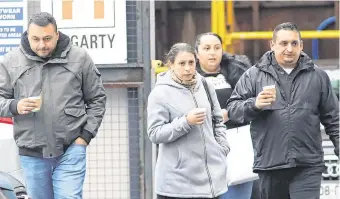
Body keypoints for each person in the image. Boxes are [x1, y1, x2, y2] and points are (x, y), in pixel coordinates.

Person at [226, 22, 339, 199]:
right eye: (283, 43)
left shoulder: (318, 76)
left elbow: (335, 119)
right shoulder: (254, 75)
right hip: (270, 166)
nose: (289, 49)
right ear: (272, 45)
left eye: (294, 43)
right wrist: (255, 105)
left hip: (307, 165)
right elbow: (233, 110)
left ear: (301, 45)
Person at [0, 12, 107, 199]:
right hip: (32, 153)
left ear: (57, 34)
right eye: (36, 39)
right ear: (27, 35)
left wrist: (85, 137)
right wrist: (14, 106)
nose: (42, 45)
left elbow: (97, 98)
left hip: (71, 148)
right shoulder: (10, 62)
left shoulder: (79, 58)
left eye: (47, 38)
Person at [147, 43, 230, 199]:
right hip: (176, 184)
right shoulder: (160, 93)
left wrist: (222, 148)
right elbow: (154, 133)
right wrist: (186, 122)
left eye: (191, 63)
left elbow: (217, 120)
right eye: (181, 63)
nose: (187, 68)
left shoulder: (206, 85)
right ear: (171, 64)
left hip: (210, 182)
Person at [195, 32, 254, 199]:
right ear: (197, 53)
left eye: (216, 48)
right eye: (206, 48)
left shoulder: (240, 73)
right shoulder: (188, 78)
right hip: (202, 146)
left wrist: (230, 114)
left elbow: (251, 105)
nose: (212, 52)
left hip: (236, 146)